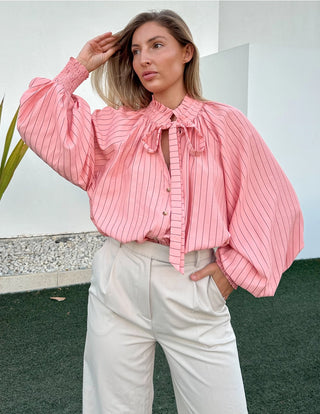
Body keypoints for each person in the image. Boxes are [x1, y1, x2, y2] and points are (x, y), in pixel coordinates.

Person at [17, 9, 303, 414]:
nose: (143, 59)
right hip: (119, 277)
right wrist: (78, 68)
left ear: (187, 52)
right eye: (135, 51)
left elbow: (272, 203)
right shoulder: (117, 126)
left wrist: (231, 272)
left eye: (156, 45)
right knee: (110, 407)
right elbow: (37, 121)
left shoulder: (226, 124)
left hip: (192, 282)